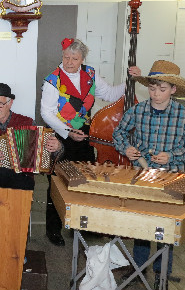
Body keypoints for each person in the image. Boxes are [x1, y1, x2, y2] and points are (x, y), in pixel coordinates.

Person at [40, 38, 141, 246]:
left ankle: (80, 224)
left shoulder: (90, 74)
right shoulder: (52, 80)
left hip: (86, 133)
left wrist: (130, 80)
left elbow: (111, 93)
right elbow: (46, 112)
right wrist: (68, 132)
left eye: (74, 58)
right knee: (57, 182)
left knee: (84, 179)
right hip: (61, 133)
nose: (69, 62)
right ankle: (53, 229)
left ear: (82, 59)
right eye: (66, 57)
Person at [113, 60, 185, 289]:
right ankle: (139, 266)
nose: (155, 94)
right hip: (142, 176)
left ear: (173, 90)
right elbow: (119, 133)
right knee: (142, 224)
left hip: (172, 178)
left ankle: (162, 271)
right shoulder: (138, 110)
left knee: (166, 227)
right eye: (152, 88)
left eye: (162, 89)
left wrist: (172, 156)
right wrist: (127, 148)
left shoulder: (183, 115)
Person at [0, 83, 63, 191]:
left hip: (20, 178)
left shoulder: (27, 123)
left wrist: (58, 147)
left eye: (0, 104)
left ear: (10, 103)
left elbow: (50, 155)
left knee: (7, 180)